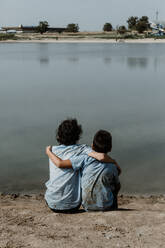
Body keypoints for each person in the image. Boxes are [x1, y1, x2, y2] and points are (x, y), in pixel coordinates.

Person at [46, 129, 121, 211]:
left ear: (92, 145)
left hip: (87, 206)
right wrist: (114, 163)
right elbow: (117, 182)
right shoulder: (112, 166)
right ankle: (113, 207)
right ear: (110, 148)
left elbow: (60, 163)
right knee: (115, 186)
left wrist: (48, 151)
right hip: (102, 206)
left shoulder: (83, 159)